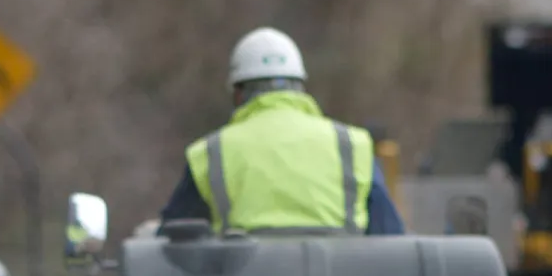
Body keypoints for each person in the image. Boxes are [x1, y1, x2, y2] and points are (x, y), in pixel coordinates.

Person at [159, 27, 406, 236]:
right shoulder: (351, 145)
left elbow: (172, 241)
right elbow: (391, 238)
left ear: (237, 94)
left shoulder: (212, 153)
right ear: (301, 88)